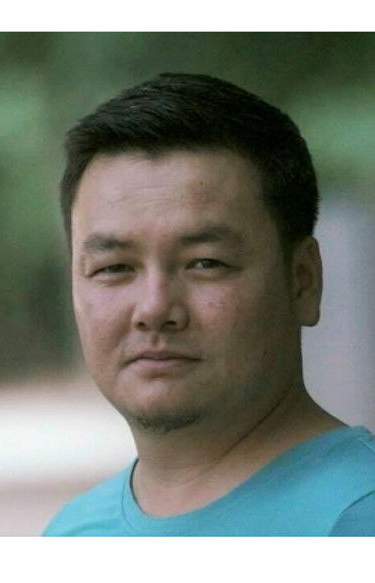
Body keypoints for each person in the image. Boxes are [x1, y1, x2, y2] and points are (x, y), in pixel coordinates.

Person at [43, 73, 375, 536]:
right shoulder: (73, 532)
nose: (154, 308)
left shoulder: (355, 518)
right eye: (114, 267)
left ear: (303, 281)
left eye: (205, 263)